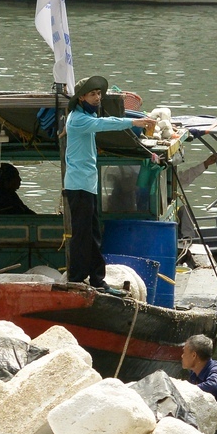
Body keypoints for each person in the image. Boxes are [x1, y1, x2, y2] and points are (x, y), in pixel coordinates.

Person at [61, 76, 155, 286]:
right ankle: (76, 278)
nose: (97, 98)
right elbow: (104, 124)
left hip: (87, 184)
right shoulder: (78, 119)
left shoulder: (81, 116)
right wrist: (134, 122)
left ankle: (96, 278)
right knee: (82, 234)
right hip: (79, 185)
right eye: (92, 94)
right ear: (81, 97)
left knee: (93, 233)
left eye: (99, 94)